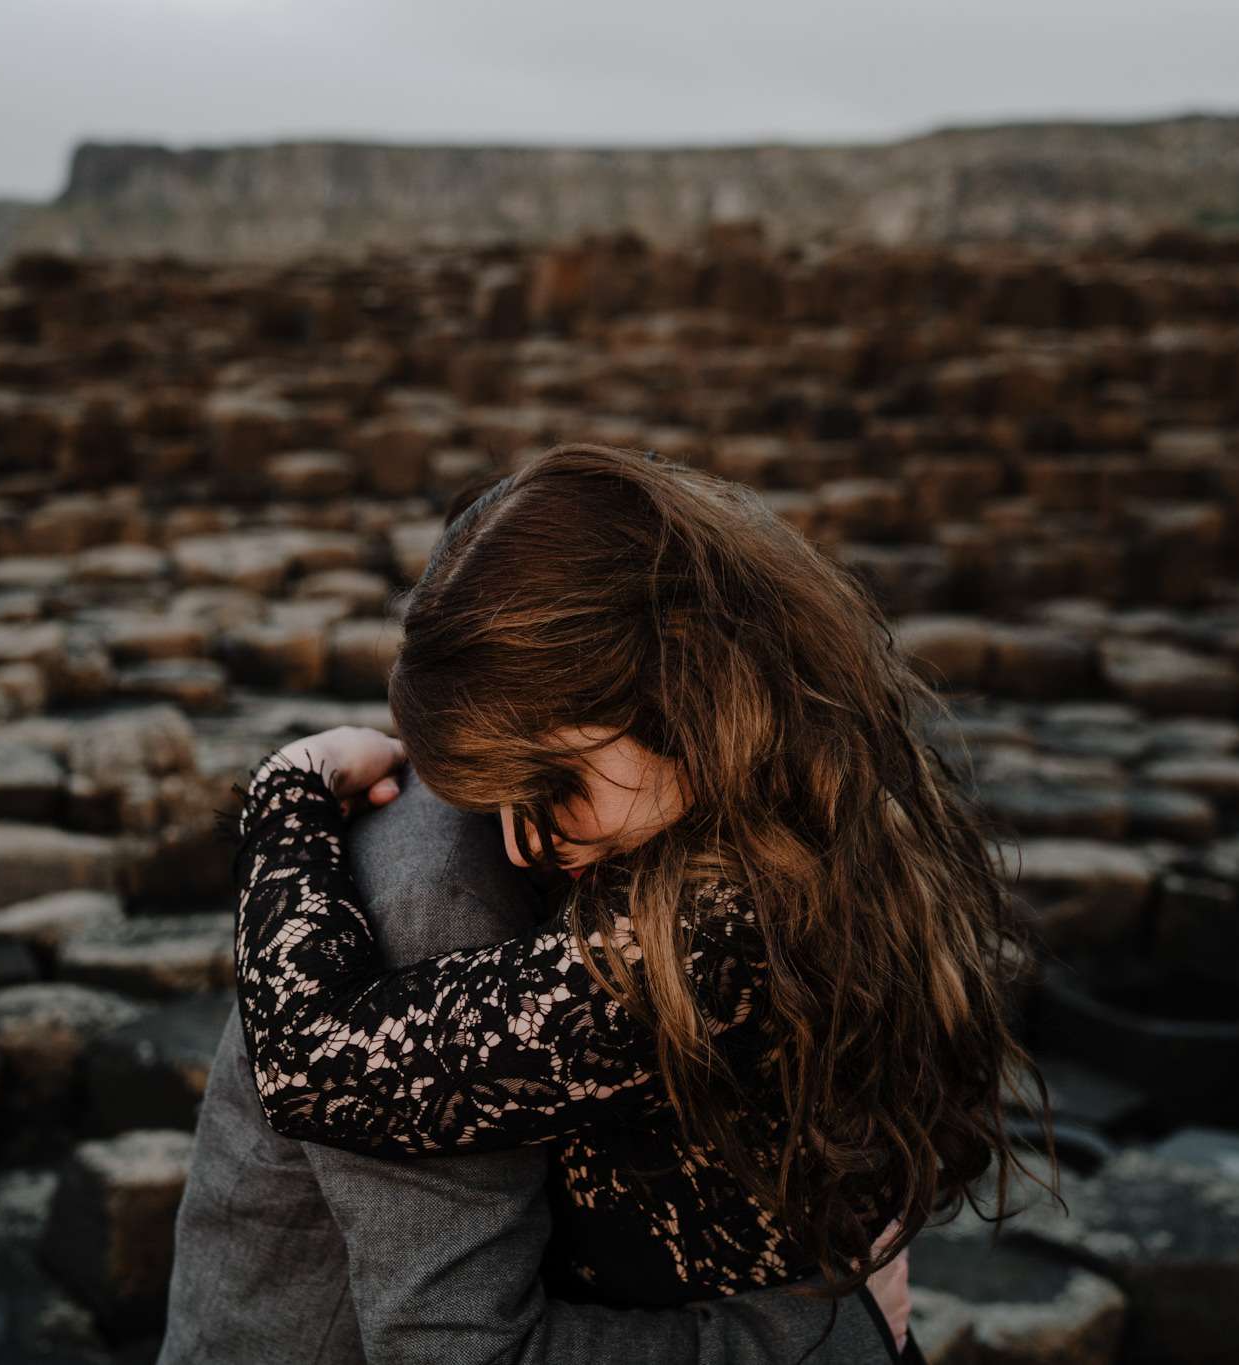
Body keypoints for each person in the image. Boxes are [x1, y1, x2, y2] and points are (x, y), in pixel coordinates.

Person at [232, 446, 1041, 1348]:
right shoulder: (839, 799)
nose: (522, 839)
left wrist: (285, 791)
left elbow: (308, 1066)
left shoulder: (721, 927)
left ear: (685, 685)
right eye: (499, 791)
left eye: (553, 779)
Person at [161, 773, 908, 1364]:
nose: (526, 840)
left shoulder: (799, 842)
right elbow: (462, 1346)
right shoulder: (438, 897)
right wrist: (839, 1336)